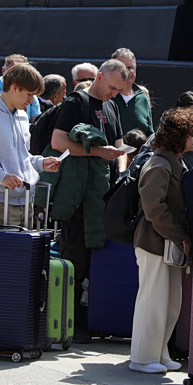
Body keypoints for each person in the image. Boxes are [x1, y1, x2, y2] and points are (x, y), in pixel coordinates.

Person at [50, 59, 127, 342]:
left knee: (95, 262)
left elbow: (119, 146)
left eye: (118, 90)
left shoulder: (111, 106)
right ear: (99, 77)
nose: (114, 94)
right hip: (78, 198)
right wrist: (98, 152)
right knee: (75, 259)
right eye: (112, 88)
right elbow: (58, 142)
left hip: (102, 194)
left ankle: (87, 320)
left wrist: (121, 170)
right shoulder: (76, 102)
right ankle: (67, 324)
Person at [130, 107, 193, 374]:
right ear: (178, 137)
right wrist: (179, 235)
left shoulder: (173, 162)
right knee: (153, 302)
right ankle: (142, 357)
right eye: (191, 134)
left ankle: (159, 353)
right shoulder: (159, 164)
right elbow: (154, 210)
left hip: (167, 243)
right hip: (154, 243)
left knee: (170, 304)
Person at [0, 63, 61, 228]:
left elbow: (22, 156)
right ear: (14, 87)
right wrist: (1, 177)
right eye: (29, 94)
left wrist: (41, 163)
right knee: (4, 246)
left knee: (23, 246)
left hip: (26, 201)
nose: (32, 101)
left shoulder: (22, 116)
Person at [0, 54, 42, 122]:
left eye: (23, 74)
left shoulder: (23, 115)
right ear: (3, 70)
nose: (18, 77)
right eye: (13, 72)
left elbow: (36, 122)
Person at [110, 48, 154, 137]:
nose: (127, 72)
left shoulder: (142, 98)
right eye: (122, 68)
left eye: (130, 67)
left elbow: (150, 135)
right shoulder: (105, 96)